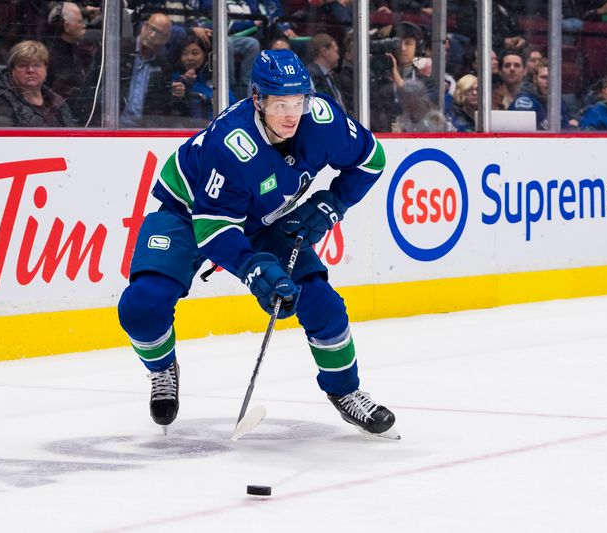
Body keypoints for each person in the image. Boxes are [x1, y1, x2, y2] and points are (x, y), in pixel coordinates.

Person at [117, 49, 398, 438]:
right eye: (280, 103)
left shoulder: (322, 120)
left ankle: (346, 393)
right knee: (141, 305)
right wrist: (253, 269)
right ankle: (163, 368)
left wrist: (335, 202)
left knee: (322, 302)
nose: (291, 114)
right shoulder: (231, 144)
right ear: (257, 100)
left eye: (298, 101)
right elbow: (213, 230)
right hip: (188, 212)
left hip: (264, 217)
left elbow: (371, 160)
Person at [0, 40, 76, 127]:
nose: (30, 70)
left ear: (46, 69)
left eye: (37, 65)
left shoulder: (56, 100)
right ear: (11, 69)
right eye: (23, 65)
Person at [120, 12, 175, 127]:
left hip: (144, 131)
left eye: (159, 33)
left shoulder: (164, 67)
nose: (153, 35)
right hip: (114, 125)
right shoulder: (119, 50)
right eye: (152, 29)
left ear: (166, 39)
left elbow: (163, 108)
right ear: (144, 26)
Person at [46, 1, 95, 124]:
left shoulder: (79, 52)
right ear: (67, 27)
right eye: (80, 22)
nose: (84, 25)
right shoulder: (50, 58)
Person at [169, 34, 235, 124]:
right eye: (184, 53)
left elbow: (232, 105)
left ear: (205, 54)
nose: (189, 58)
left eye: (195, 53)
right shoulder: (175, 78)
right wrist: (186, 84)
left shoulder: (215, 78)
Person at [508, 60, 575, 130]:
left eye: (552, 78)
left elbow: (565, 130)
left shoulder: (558, 102)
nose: (548, 81)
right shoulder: (525, 102)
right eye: (544, 77)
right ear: (535, 79)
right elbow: (522, 136)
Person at [307, 32, 346, 110]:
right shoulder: (311, 76)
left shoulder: (332, 76)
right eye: (336, 51)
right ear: (325, 52)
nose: (338, 57)